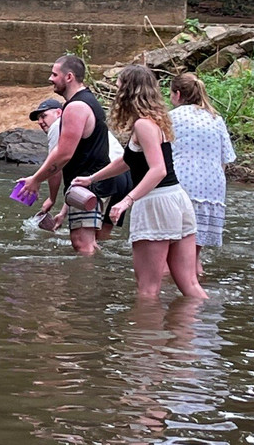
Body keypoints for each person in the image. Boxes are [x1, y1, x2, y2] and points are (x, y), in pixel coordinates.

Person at [71, 64, 207, 299]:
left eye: (119, 86)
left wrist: (127, 200)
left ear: (128, 91)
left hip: (156, 203)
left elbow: (158, 170)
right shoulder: (157, 121)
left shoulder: (143, 125)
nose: (116, 92)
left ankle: (144, 337)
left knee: (147, 290)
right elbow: (128, 161)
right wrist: (92, 179)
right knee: (190, 285)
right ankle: (197, 333)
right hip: (177, 200)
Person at [16, 55, 130, 255]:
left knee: (81, 244)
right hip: (101, 181)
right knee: (92, 242)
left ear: (69, 77)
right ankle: (103, 278)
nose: (50, 79)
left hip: (89, 184)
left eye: (54, 74)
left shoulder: (76, 107)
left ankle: (83, 286)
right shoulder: (88, 101)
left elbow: (64, 155)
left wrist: (36, 180)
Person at [28, 96, 131, 236]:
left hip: (102, 177)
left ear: (59, 113)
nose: (40, 121)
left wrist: (51, 198)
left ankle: (86, 258)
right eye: (38, 119)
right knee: (100, 236)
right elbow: (80, 178)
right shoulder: (82, 123)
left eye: (43, 116)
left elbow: (55, 167)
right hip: (124, 177)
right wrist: (63, 212)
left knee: (83, 242)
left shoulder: (58, 125)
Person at [168, 72, 237, 276]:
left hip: (182, 184)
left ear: (178, 95)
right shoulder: (216, 119)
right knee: (194, 255)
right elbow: (226, 159)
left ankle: (165, 303)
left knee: (169, 254)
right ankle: (197, 299)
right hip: (212, 190)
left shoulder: (172, 117)